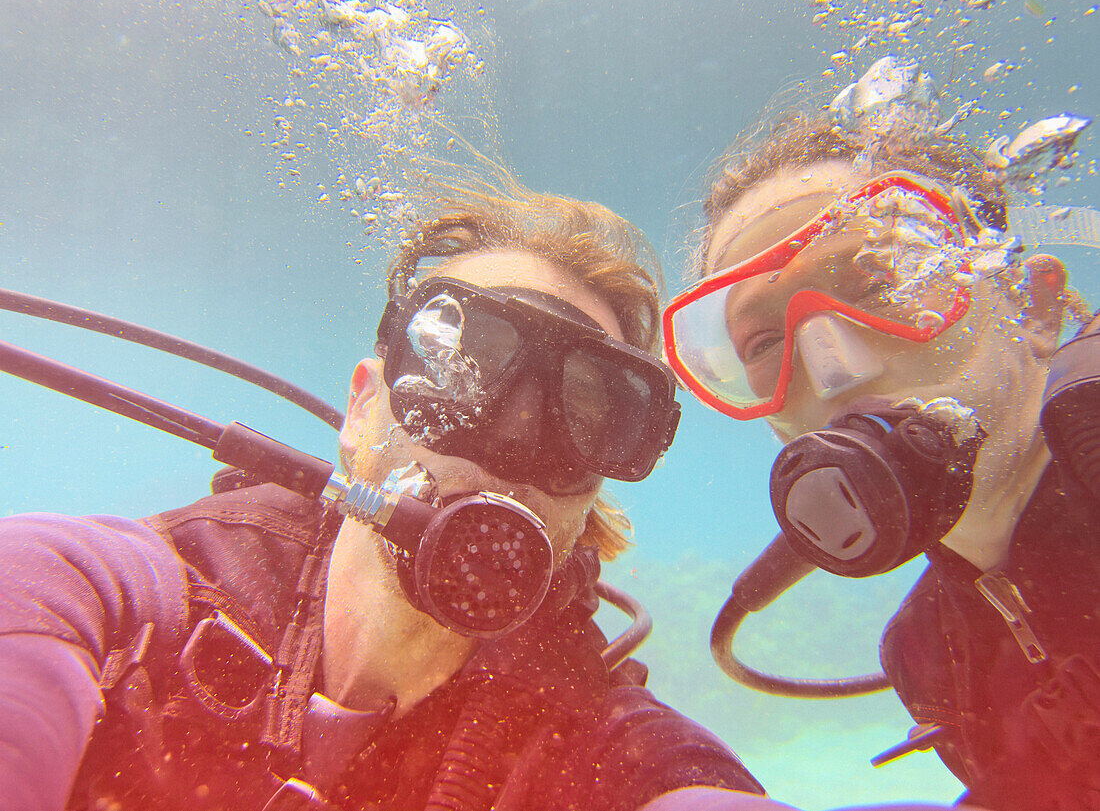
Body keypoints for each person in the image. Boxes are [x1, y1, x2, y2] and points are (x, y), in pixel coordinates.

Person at [0, 174, 781, 811]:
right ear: (361, 407)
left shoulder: (600, 743)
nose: (509, 445)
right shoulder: (151, 592)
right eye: (461, 366)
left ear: (596, 492)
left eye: (582, 409)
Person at [662, 75, 1100, 811]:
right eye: (765, 341)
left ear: (1034, 306)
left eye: (878, 283)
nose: (837, 372)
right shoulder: (930, 656)